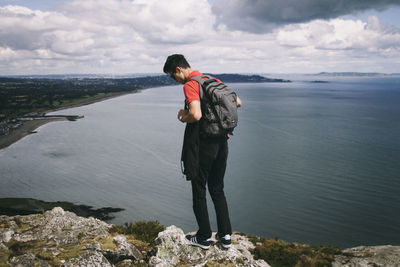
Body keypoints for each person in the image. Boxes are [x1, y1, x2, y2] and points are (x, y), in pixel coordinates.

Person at [163, 54, 242, 250]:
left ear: (179, 70)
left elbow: (196, 114)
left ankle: (204, 237)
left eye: (173, 76)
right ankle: (225, 236)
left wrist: (183, 116)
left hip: (204, 145)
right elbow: (238, 102)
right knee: (217, 189)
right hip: (222, 142)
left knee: (199, 189)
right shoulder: (211, 80)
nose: (175, 80)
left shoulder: (190, 84)